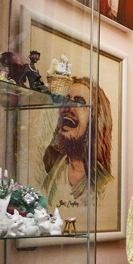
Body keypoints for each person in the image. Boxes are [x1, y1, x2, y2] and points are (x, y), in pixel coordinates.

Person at [41, 76, 112, 209]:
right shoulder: (54, 169)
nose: (68, 107)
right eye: (66, 100)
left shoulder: (104, 184)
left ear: (95, 118)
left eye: (79, 102)